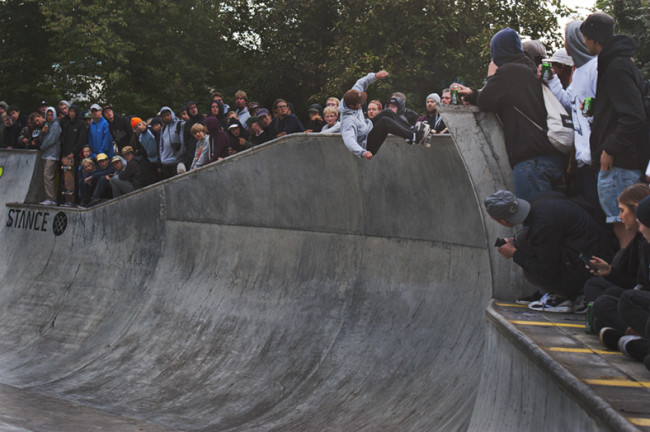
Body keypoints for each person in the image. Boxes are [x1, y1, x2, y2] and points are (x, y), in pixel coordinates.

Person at [458, 27, 566, 201]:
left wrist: (492, 74)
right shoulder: (530, 68)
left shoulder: (508, 71)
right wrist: (473, 93)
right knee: (550, 218)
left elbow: (486, 100)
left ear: (497, 52)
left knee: (535, 219)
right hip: (552, 157)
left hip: (531, 161)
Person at [581, 12, 650, 250]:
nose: (583, 43)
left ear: (593, 37)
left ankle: (631, 282)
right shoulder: (619, 62)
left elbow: (633, 117)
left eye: (585, 37)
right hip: (625, 161)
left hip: (619, 163)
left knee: (624, 227)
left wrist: (609, 148)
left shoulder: (616, 66)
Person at [485, 189, 616, 312]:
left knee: (530, 262)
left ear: (502, 220)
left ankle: (562, 296)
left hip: (590, 266)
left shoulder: (543, 224)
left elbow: (546, 271)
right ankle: (560, 291)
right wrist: (515, 243)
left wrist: (515, 254)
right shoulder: (540, 201)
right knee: (522, 240)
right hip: (593, 250)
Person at [545, 20, 603, 225]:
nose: (565, 43)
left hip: (598, 158)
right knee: (592, 214)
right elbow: (567, 103)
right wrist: (551, 80)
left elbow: (604, 108)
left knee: (606, 217)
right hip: (582, 160)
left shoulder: (597, 68)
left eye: (566, 38)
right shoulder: (579, 72)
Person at [584, 184, 650, 335]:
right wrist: (610, 271)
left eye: (622, 211)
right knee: (596, 286)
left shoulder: (645, 241)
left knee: (618, 299)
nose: (619, 217)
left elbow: (640, 286)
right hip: (639, 295)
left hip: (640, 299)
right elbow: (636, 282)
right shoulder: (640, 241)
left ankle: (631, 331)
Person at [339, 70, 429, 159]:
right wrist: (362, 152)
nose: (362, 103)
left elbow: (361, 82)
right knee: (385, 121)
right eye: (360, 103)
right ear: (352, 106)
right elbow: (349, 141)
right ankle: (414, 137)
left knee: (388, 112)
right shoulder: (348, 121)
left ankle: (411, 130)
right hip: (366, 146)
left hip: (368, 129)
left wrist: (375, 76)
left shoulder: (352, 95)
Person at [38, 107, 62, 206]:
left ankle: (51, 198)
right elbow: (41, 137)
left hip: (52, 154)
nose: (49, 117)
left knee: (48, 176)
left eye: (51, 115)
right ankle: (48, 197)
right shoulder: (47, 125)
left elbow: (51, 140)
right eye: (48, 115)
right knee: (46, 176)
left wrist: (41, 147)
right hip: (45, 154)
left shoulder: (56, 126)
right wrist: (42, 132)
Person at [158, 106, 184, 179]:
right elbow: (161, 145)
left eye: (168, 115)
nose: (166, 117)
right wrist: (161, 157)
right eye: (164, 116)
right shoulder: (163, 129)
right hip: (165, 161)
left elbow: (182, 140)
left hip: (177, 160)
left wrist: (179, 155)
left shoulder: (179, 124)